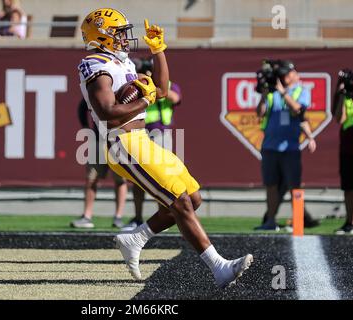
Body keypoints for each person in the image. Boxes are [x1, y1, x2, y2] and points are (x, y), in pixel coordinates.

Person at [78, 8, 252, 288]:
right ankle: (219, 267)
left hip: (141, 139)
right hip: (122, 143)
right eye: (119, 33)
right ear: (103, 36)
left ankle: (136, 238)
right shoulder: (95, 64)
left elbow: (159, 90)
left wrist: (158, 50)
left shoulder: (123, 64)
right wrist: (144, 101)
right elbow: (108, 110)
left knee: (192, 199)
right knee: (179, 202)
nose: (124, 38)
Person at [255, 60, 319, 230]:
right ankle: (270, 221)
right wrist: (264, 93)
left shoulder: (301, 91)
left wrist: (283, 93)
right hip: (270, 147)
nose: (287, 76)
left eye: (289, 73)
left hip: (290, 148)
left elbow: (297, 110)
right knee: (271, 185)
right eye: (285, 74)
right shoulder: (272, 93)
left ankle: (298, 222)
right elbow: (260, 113)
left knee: (294, 186)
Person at [122, 57, 182, 231]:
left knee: (163, 176)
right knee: (137, 178)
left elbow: (174, 98)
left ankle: (164, 216)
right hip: (140, 132)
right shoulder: (138, 83)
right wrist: (143, 82)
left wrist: (154, 85)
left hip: (160, 134)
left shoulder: (169, 85)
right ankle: (138, 216)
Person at [70, 99, 127, 229]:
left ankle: (118, 217)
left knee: (120, 180)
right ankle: (87, 216)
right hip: (99, 139)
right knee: (92, 178)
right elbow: (83, 106)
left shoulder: (123, 87)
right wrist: (85, 126)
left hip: (119, 140)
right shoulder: (100, 86)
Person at [332, 69, 353, 235]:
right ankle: (349, 222)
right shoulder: (343, 96)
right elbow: (339, 118)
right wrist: (342, 95)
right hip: (348, 147)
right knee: (348, 187)